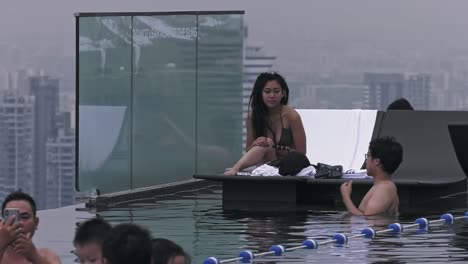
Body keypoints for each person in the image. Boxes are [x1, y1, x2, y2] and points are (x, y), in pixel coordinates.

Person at [224, 72, 307, 175]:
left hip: (288, 168)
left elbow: (301, 153)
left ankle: (235, 169)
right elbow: (249, 150)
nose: (272, 95)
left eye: (276, 91)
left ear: (283, 93)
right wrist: (255, 144)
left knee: (268, 143)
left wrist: (274, 147)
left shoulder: (292, 116)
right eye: (267, 92)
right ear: (260, 93)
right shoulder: (252, 117)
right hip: (265, 166)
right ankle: (235, 169)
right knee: (266, 143)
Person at [340, 136, 403, 216]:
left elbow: (366, 220)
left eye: (368, 156)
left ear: (376, 161)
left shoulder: (384, 189)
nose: (366, 160)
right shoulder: (383, 186)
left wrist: (346, 197)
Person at [0, 191, 61, 264]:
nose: (19, 223)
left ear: (36, 223)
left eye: (25, 217)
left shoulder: (47, 256)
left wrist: (35, 257)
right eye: (12, 218)